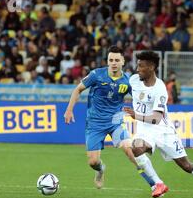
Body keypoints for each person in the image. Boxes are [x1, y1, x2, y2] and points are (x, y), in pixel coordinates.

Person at [123, 51, 193, 198]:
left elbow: (156, 119)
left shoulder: (160, 88)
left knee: (186, 165)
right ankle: (159, 183)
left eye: (141, 66)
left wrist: (136, 116)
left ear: (151, 67)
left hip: (163, 131)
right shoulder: (133, 80)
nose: (138, 69)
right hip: (144, 130)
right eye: (138, 66)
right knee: (136, 148)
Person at [64, 46, 155, 190]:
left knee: (130, 152)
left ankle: (154, 184)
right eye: (111, 60)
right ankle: (100, 170)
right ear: (107, 61)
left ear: (123, 61)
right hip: (95, 123)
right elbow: (78, 89)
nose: (113, 63)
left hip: (115, 123)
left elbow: (139, 98)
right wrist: (69, 110)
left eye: (117, 60)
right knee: (93, 162)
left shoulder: (127, 81)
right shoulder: (96, 75)